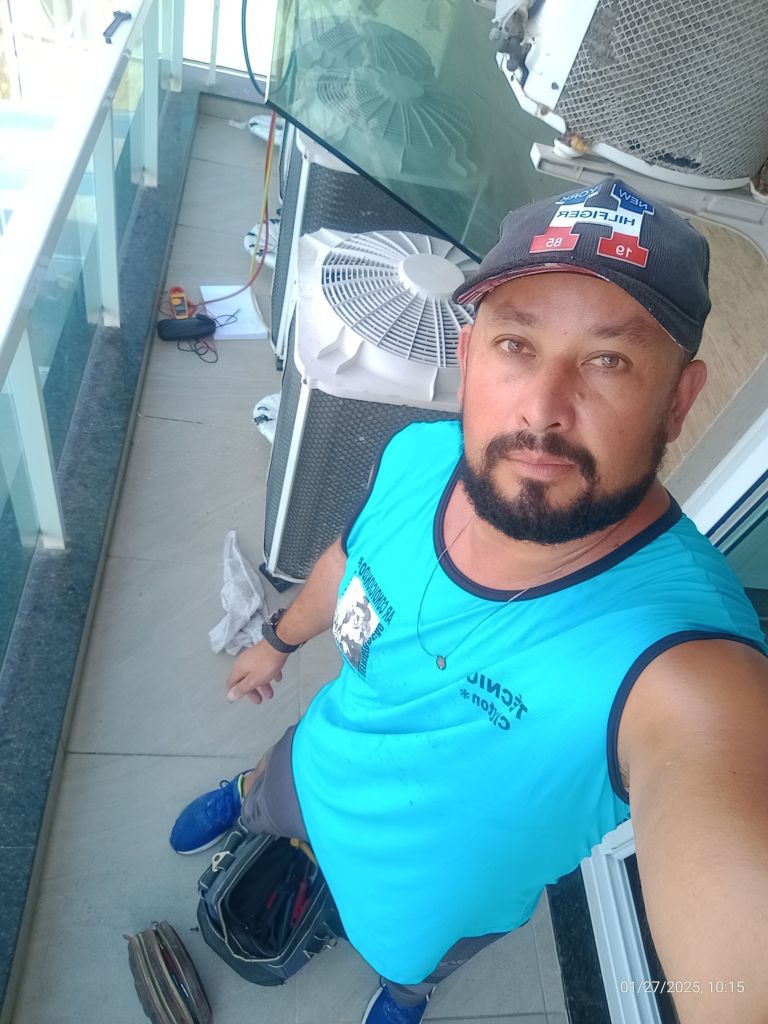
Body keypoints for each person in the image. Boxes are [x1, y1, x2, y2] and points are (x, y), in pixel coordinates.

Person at [170, 176, 768, 1024]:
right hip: (316, 769)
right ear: (468, 353)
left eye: (608, 360)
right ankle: (244, 795)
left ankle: (402, 995)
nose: (543, 410)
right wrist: (276, 640)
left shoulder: (683, 662)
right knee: (271, 787)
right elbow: (345, 561)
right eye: (516, 344)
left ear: (677, 400)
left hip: (433, 903)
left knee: (412, 966)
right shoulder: (419, 455)